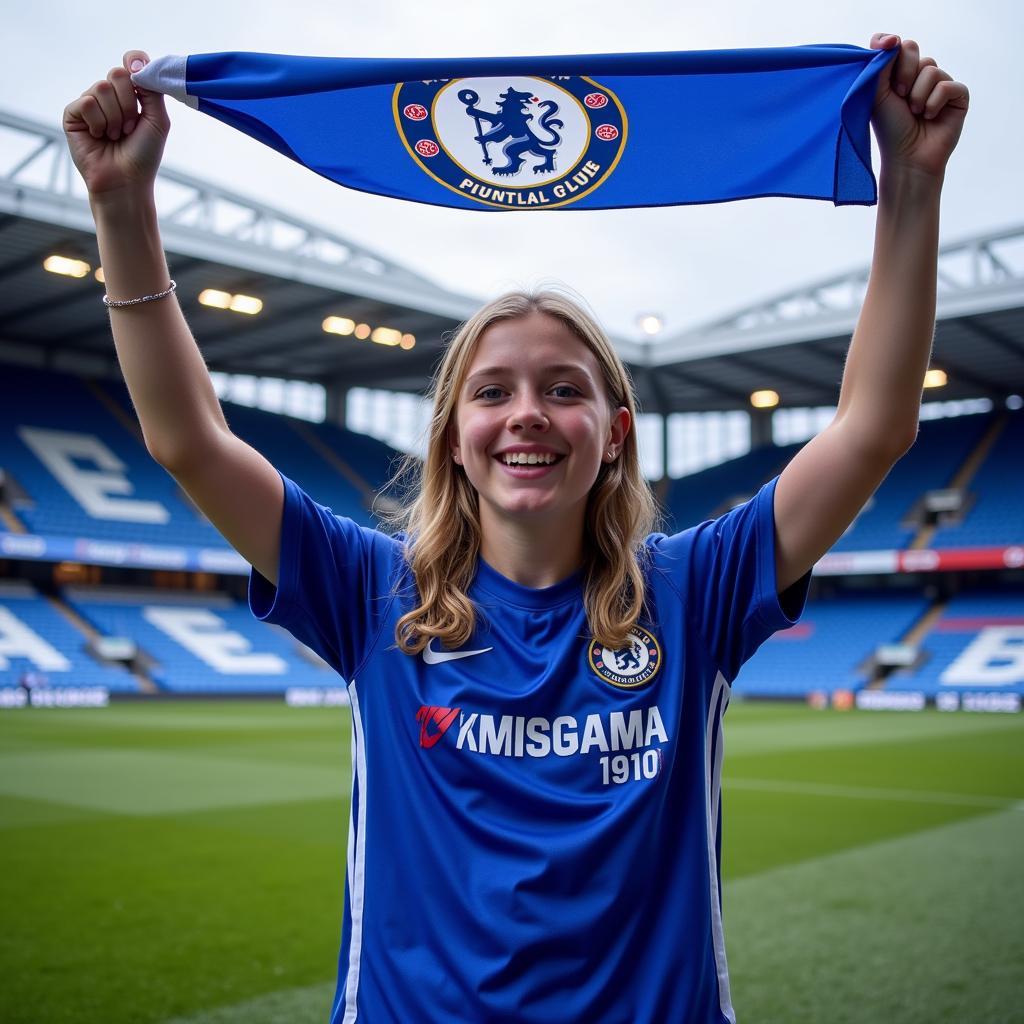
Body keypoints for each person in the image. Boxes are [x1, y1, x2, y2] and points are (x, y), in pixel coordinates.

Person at [63, 33, 968, 1024]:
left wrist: (910, 184)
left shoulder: (694, 591)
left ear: (615, 434)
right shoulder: (374, 594)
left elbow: (873, 427)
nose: (527, 412)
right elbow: (188, 439)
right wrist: (120, 205)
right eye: (492, 391)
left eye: (563, 389)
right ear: (452, 435)